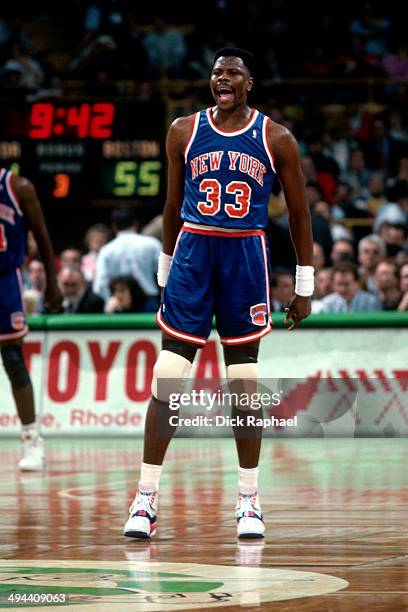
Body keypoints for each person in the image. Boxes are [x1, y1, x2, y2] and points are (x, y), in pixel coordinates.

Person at [123, 48, 314, 541]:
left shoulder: (277, 138)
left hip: (245, 257)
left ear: (250, 82)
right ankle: (145, 497)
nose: (221, 79)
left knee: (245, 380)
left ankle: (249, 500)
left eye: (232, 73)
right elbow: (169, 206)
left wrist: (304, 285)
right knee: (168, 374)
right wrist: (166, 271)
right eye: (216, 73)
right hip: (193, 252)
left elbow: (298, 215)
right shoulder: (182, 130)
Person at [0, 168, 61, 470]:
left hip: (5, 281)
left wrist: (52, 281)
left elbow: (42, 237)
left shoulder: (17, 186)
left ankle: (32, 440)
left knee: (13, 357)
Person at [93, 208, 161, 302]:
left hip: (119, 303)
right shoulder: (152, 244)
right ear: (135, 223)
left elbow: (99, 285)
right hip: (148, 301)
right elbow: (165, 275)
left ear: (114, 226)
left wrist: (110, 300)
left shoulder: (106, 250)